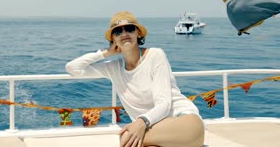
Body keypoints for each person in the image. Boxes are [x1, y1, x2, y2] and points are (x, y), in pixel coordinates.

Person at [66, 11, 204, 147]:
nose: (124, 34)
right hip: (151, 128)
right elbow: (73, 68)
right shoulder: (114, 68)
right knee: (134, 140)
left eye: (129, 29)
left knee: (126, 137)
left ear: (138, 33)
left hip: (184, 122)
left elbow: (164, 104)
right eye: (118, 32)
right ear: (113, 39)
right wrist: (106, 53)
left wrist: (141, 122)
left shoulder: (155, 55)